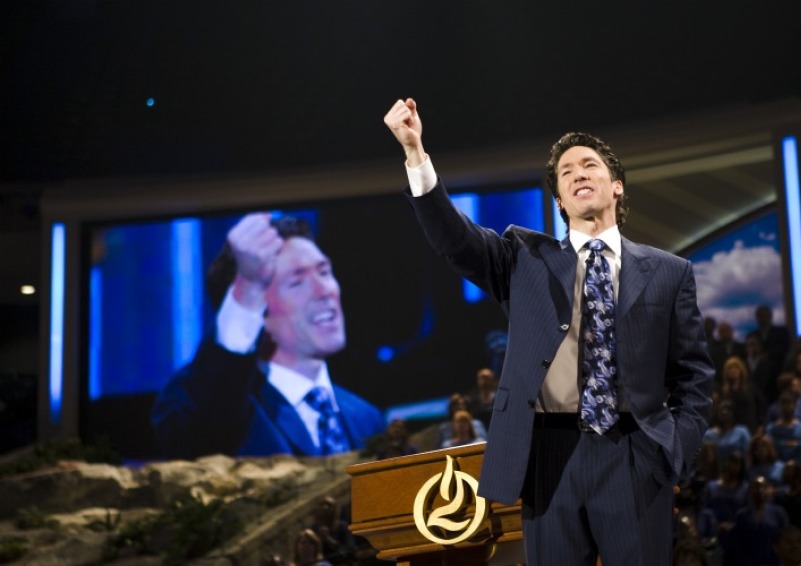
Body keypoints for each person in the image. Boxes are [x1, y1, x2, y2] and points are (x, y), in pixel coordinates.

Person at [384, 98, 714, 565]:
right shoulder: (523, 258)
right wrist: (415, 154)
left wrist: (671, 451)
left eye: (590, 165)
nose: (578, 173)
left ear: (617, 186)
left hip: (634, 453)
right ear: (559, 200)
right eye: (566, 172)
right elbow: (454, 239)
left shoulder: (669, 272)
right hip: (548, 455)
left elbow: (694, 376)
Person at [151, 213, 384, 458]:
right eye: (297, 282)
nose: (324, 290)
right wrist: (248, 286)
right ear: (256, 310)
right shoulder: (216, 408)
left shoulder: (366, 418)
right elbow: (201, 433)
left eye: (324, 272)